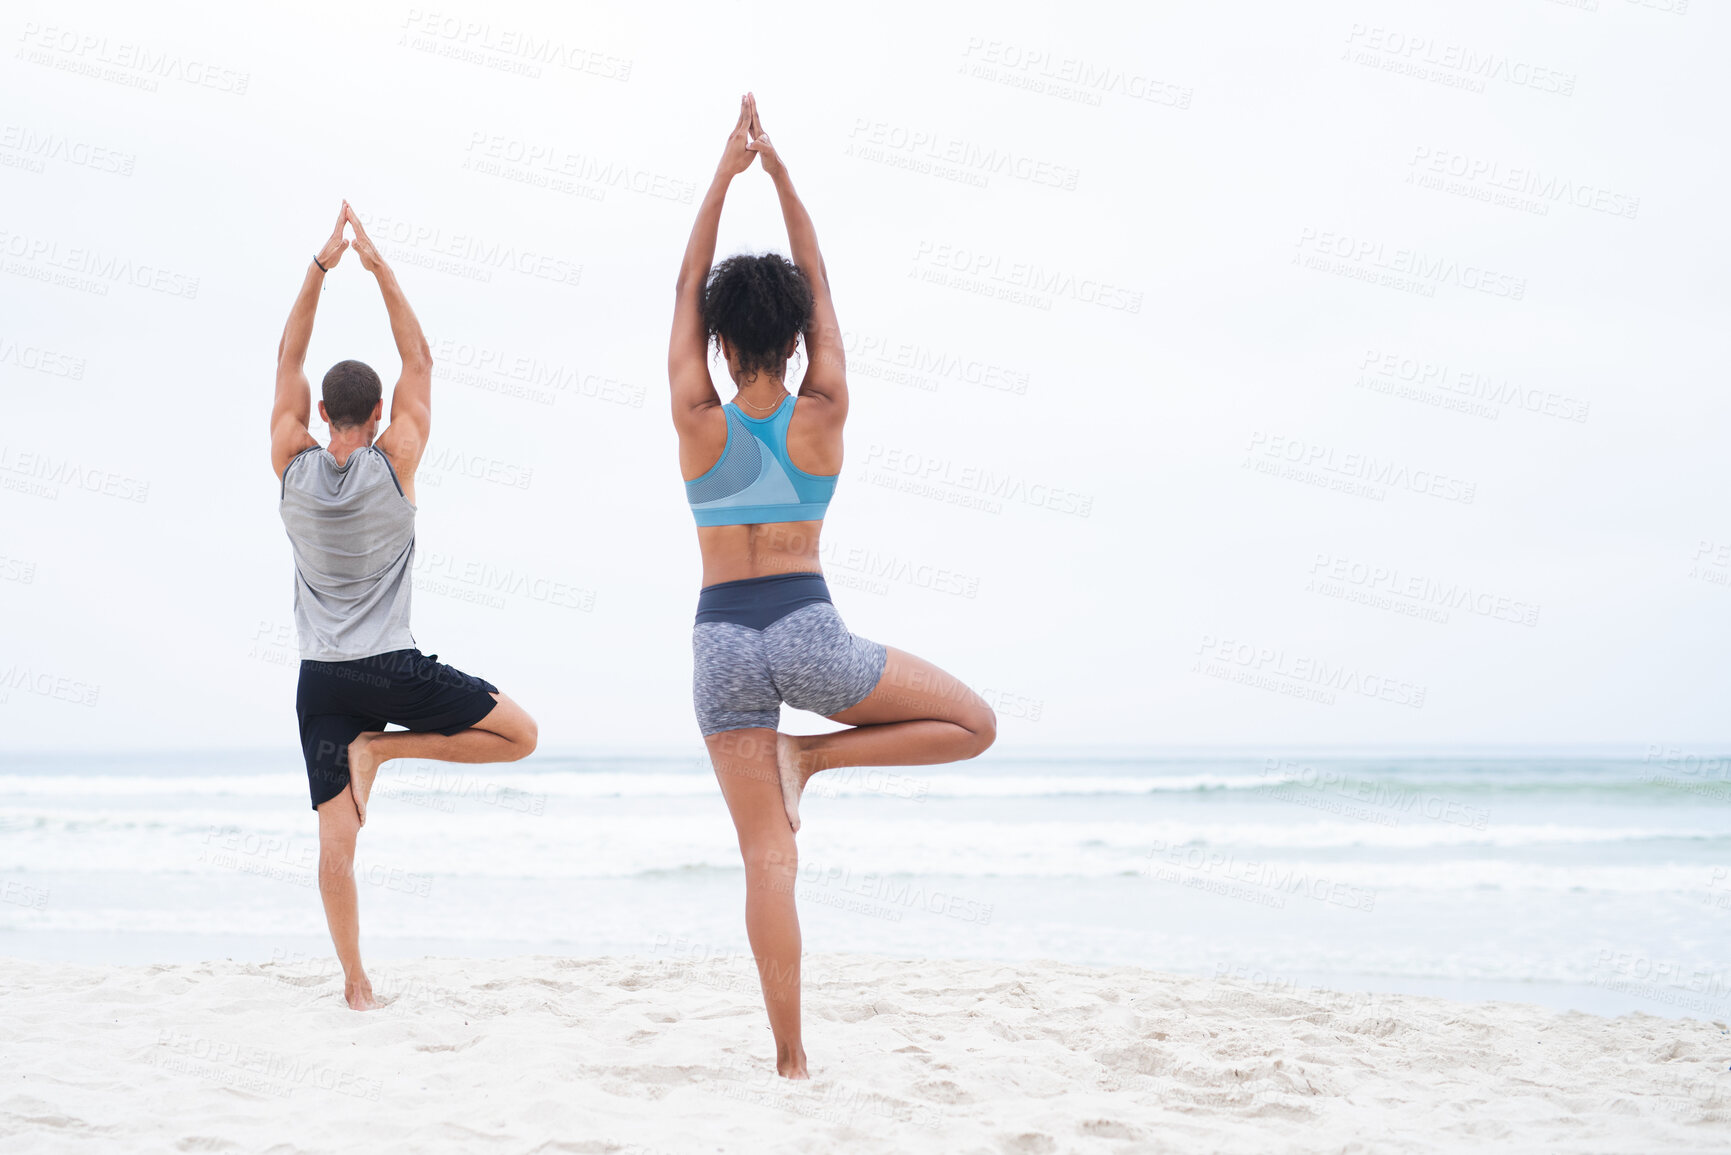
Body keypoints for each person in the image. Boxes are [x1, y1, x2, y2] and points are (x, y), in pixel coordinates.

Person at [668, 96, 997, 1078]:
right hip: (809, 629)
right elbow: (820, 289)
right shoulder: (826, 405)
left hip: (720, 639)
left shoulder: (695, 415)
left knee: (768, 862)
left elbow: (687, 285)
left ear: (722, 345)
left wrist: (725, 176)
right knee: (974, 723)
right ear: (799, 336)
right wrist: (785, 180)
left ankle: (791, 1061)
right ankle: (811, 760)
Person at [270, 203, 539, 1010]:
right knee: (519, 735)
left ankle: (356, 986)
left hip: (320, 678)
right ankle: (382, 755)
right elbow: (418, 354)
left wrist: (320, 268)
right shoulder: (399, 456)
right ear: (378, 413)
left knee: (334, 844)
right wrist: (379, 267)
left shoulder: (288, 460)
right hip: (391, 669)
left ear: (322, 414)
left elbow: (288, 352)